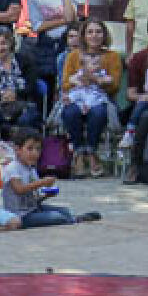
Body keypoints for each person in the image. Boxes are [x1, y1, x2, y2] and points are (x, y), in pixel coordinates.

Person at [59, 17, 121, 178]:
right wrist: (80, 80)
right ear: (84, 35)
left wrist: (95, 80)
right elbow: (65, 84)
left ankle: (92, 153)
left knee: (98, 112)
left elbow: (114, 86)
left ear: (104, 35)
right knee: (70, 112)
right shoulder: (74, 56)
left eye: (98, 32)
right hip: (77, 96)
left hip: (101, 97)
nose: (94, 35)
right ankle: (79, 153)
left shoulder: (112, 56)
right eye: (90, 32)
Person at [0, 129, 101, 227]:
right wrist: (42, 182)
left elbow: (34, 197)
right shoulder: (13, 167)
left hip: (33, 209)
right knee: (55, 217)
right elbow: (19, 189)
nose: (35, 153)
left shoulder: (31, 169)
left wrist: (47, 195)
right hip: (20, 215)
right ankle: (74, 220)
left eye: (38, 149)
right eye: (30, 149)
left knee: (64, 211)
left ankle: (72, 218)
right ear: (17, 150)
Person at [24, 0, 78, 102]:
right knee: (46, 86)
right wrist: (62, 20)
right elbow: (37, 26)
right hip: (45, 44)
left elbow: (71, 18)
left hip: (66, 42)